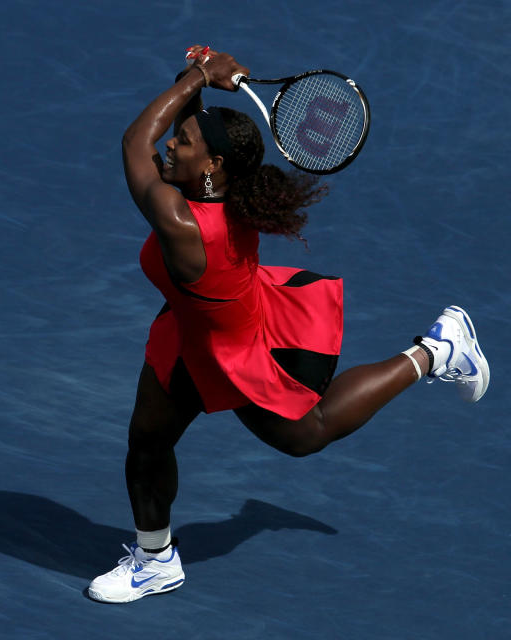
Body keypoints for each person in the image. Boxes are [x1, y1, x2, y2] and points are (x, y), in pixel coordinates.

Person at [86, 46, 490, 604]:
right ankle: (156, 561)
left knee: (306, 434)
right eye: (179, 138)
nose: (169, 146)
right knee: (148, 442)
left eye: (182, 144)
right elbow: (182, 127)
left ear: (211, 167)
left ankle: (436, 351)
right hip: (187, 333)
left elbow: (134, 141)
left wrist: (202, 77)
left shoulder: (183, 224)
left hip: (238, 350)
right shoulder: (209, 188)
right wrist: (194, 79)